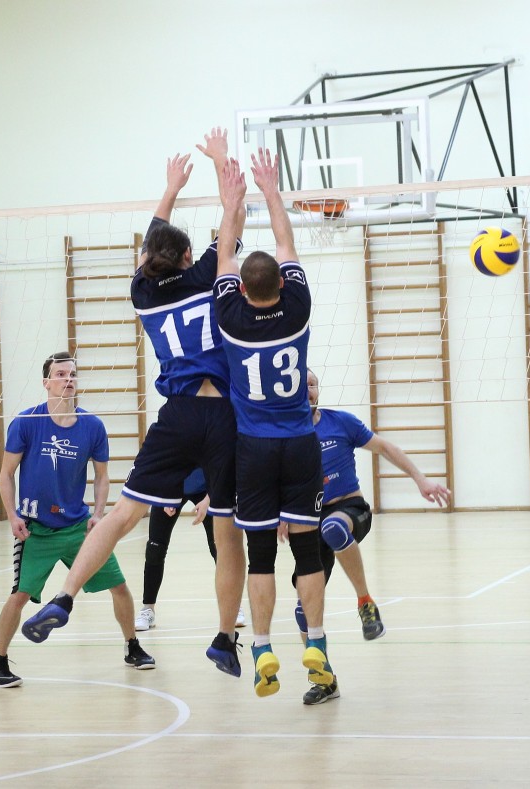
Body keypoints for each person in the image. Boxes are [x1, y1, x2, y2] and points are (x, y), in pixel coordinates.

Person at [21, 136, 246, 679]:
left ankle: (66, 596)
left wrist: (169, 189)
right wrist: (222, 166)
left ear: (149, 260)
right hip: (222, 416)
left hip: (177, 415)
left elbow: (152, 246)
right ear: (188, 256)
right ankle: (224, 637)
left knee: (124, 514)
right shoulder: (208, 274)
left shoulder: (142, 293)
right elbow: (233, 215)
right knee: (226, 531)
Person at [212, 147, 335, 705]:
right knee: (307, 553)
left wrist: (231, 201)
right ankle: (318, 644)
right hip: (301, 445)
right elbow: (286, 245)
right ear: (282, 285)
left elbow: (224, 256)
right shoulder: (298, 307)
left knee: (260, 554)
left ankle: (261, 648)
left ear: (243, 288)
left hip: (254, 450)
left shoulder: (229, 316)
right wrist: (270, 190)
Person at [0, 352, 154, 688]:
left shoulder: (92, 426)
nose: (68, 379)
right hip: (36, 531)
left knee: (119, 587)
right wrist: (12, 515)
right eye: (61, 374)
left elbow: (102, 476)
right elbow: (6, 474)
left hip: (79, 528)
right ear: (46, 382)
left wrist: (98, 514)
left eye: (72, 374)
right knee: (19, 596)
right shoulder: (26, 422)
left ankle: (132, 646)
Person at [289, 368, 450, 667]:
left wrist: (421, 479)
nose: (308, 390)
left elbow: (385, 447)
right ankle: (323, 676)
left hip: (349, 509)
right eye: (303, 385)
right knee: (303, 609)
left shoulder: (341, 422)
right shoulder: (285, 433)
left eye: (313, 384)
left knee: (333, 528)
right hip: (309, 520)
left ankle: (365, 603)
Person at [135, 467, 246, 631]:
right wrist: (165, 492)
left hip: (208, 487)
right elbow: (161, 461)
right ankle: (148, 609)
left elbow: (221, 465)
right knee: (155, 547)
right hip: (172, 485)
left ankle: (234, 607)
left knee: (220, 547)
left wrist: (209, 498)